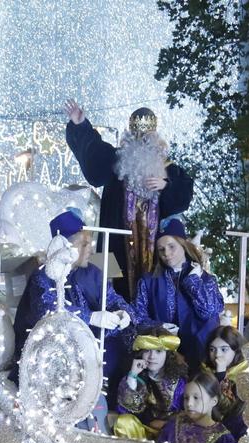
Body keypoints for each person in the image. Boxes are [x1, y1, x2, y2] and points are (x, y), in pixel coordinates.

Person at [64, 99, 194, 296]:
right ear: (129, 134)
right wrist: (81, 125)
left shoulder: (169, 170)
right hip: (116, 243)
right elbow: (94, 158)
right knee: (111, 287)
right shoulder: (116, 161)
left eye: (146, 137)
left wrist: (166, 186)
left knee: (155, 289)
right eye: (137, 135)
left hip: (154, 249)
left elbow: (182, 198)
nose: (141, 140)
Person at [11, 210, 133, 399]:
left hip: (90, 348)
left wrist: (124, 312)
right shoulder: (43, 276)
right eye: (84, 244)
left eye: (90, 243)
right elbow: (49, 311)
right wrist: (90, 317)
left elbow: (112, 299)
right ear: (65, 246)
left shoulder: (93, 271)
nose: (90, 250)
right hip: (51, 353)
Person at [132, 220, 225, 373]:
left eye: (171, 246)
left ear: (183, 244)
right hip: (163, 361)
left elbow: (209, 311)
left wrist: (193, 281)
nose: (166, 254)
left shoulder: (205, 279)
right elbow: (137, 317)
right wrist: (159, 327)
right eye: (161, 249)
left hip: (201, 358)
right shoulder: (148, 281)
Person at [113, 329, 186, 439]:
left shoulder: (178, 382)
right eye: (147, 351)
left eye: (158, 351)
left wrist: (165, 425)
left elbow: (185, 413)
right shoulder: (137, 377)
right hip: (142, 433)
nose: (152, 356)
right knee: (123, 422)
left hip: (169, 433)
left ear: (168, 354)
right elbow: (125, 410)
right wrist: (132, 376)